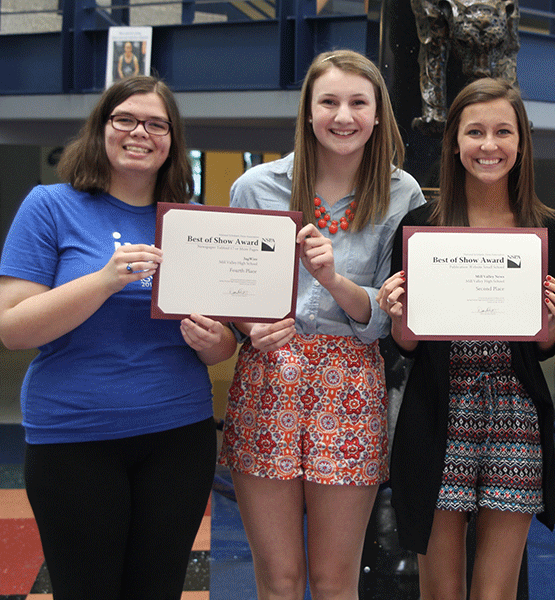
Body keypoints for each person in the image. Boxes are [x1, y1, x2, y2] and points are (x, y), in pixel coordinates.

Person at [0, 75, 235, 600]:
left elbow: (223, 345)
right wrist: (105, 280)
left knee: (157, 589)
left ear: (172, 141)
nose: (140, 133)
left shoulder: (193, 224)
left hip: (178, 436)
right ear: (101, 128)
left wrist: (213, 340)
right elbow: (12, 327)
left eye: (157, 124)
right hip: (74, 438)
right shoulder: (49, 207)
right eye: (125, 119)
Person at [217, 49, 425, 600]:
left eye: (359, 102)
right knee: (279, 580)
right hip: (269, 378)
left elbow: (389, 315)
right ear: (307, 112)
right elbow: (236, 290)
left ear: (378, 114)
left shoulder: (403, 193)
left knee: (336, 581)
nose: (343, 115)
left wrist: (333, 279)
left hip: (350, 385)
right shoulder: (256, 187)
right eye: (328, 101)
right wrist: (247, 326)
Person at [378, 77, 555, 600]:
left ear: (521, 142)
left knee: (495, 591)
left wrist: (552, 324)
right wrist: (399, 316)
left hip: (515, 414)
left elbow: (544, 347)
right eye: (475, 132)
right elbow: (405, 345)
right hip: (438, 409)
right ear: (454, 142)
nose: (489, 146)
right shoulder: (420, 227)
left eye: (503, 132)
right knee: (439, 589)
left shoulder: (550, 230)